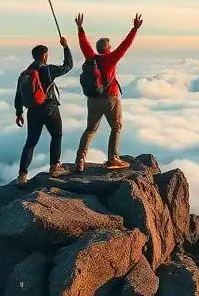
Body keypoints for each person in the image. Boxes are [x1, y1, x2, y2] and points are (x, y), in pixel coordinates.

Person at [74, 12, 143, 171]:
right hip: (110, 99)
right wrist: (134, 29)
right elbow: (125, 45)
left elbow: (83, 44)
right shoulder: (111, 59)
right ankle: (113, 159)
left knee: (90, 129)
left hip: (92, 99)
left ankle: (80, 160)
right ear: (108, 49)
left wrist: (80, 28)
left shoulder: (90, 58)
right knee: (116, 127)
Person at [14, 35, 74, 186]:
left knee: (30, 142)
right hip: (49, 108)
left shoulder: (25, 74)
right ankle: (55, 166)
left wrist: (19, 113)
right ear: (45, 55)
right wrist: (65, 47)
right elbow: (68, 66)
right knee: (57, 135)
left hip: (32, 110)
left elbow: (18, 95)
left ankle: (22, 175)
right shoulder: (48, 70)